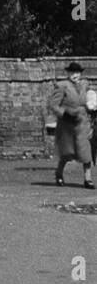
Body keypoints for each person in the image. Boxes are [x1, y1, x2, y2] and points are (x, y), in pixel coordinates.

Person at [48, 61, 94, 189]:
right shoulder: (62, 86)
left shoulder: (85, 84)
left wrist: (92, 106)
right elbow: (53, 105)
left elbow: (90, 99)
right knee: (67, 152)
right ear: (68, 73)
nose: (75, 75)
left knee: (85, 151)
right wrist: (64, 114)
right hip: (67, 124)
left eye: (77, 72)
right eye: (72, 72)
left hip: (82, 122)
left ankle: (88, 179)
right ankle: (59, 174)